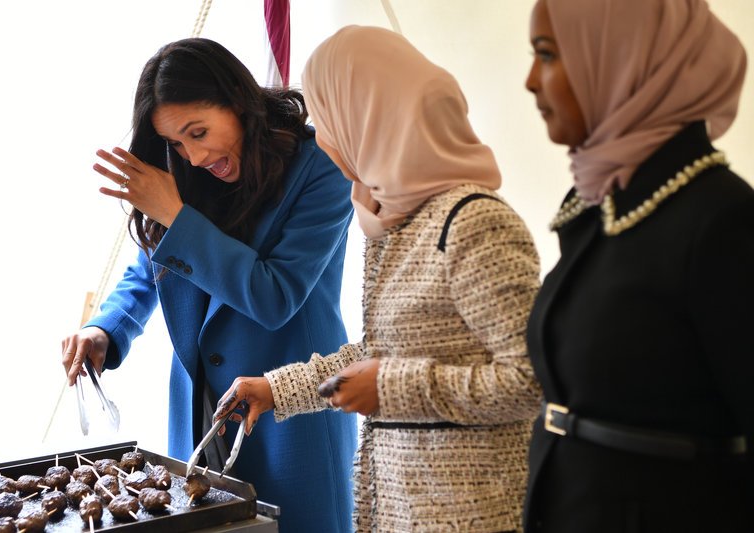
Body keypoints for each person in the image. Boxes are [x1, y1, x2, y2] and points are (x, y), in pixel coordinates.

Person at [213, 25, 542, 532]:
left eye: (326, 119)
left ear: (369, 118)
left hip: (471, 514)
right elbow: (382, 350)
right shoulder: (390, 221)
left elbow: (531, 381)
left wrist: (390, 388)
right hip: (399, 509)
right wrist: (277, 389)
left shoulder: (475, 223)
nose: (322, 140)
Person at [60, 38, 358, 533]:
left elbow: (275, 295)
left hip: (291, 418)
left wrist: (175, 215)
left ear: (238, 101)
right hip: (198, 414)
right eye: (176, 144)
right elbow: (153, 265)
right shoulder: (186, 170)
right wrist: (105, 330)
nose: (193, 156)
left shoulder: (322, 165)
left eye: (198, 132)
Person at [522, 1, 753, 531]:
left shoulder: (721, 220)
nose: (532, 81)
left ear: (625, 60)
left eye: (549, 54)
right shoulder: (600, 208)